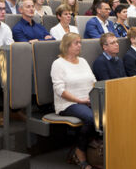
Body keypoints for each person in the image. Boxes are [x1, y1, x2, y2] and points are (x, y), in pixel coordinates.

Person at [51, 33, 96, 169]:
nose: (79, 45)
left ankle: (97, 150)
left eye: (80, 42)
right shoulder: (58, 64)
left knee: (109, 112)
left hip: (87, 100)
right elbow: (59, 90)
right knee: (91, 118)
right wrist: (79, 100)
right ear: (67, 45)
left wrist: (92, 98)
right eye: (76, 43)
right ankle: (80, 151)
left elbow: (93, 81)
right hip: (68, 103)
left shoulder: (83, 61)